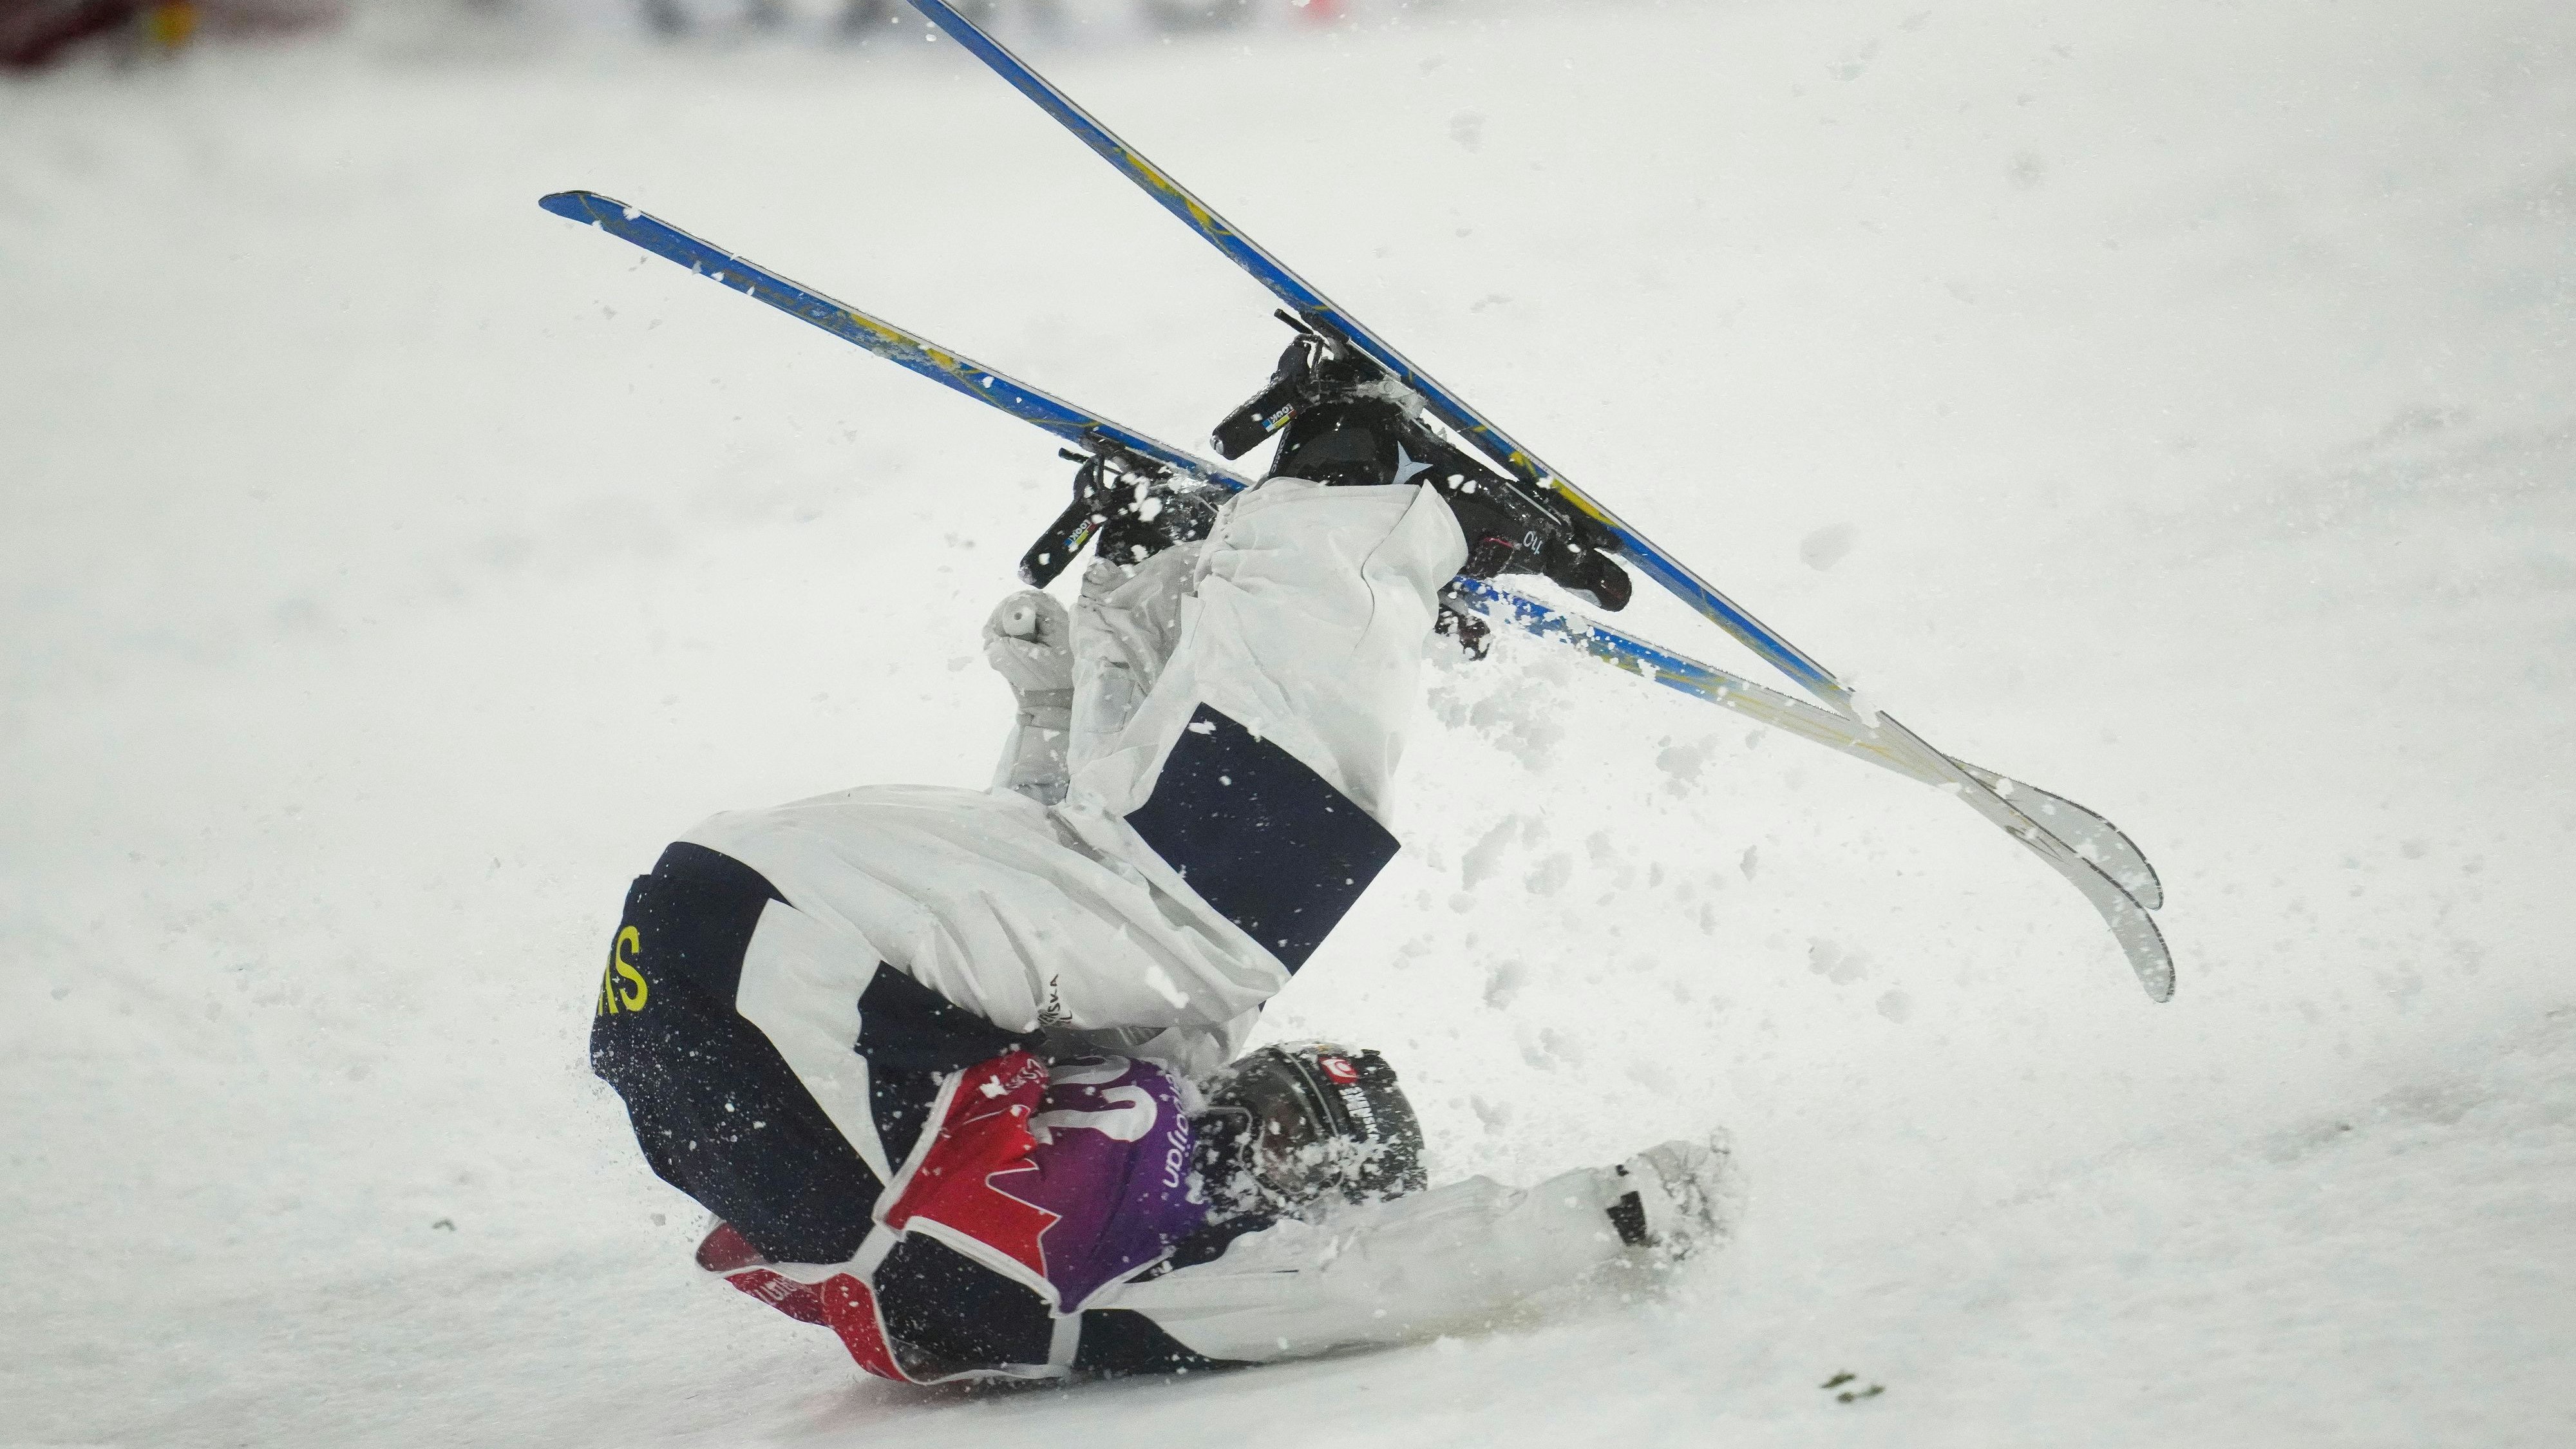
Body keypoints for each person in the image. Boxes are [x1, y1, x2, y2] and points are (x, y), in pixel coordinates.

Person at [587, 340, 1743, 1383]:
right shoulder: (1116, 1102)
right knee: (1152, 912)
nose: (1259, 1121)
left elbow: (1363, 1279)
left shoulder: (1128, 1282)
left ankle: (1355, 489)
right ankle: (1188, 566)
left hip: (761, 985)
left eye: (1291, 1127)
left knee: (1209, 916)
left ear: (1302, 1201)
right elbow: (1053, 870)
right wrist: (1116, 620)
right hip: (733, 960)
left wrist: (1611, 1219)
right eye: (1286, 1103)